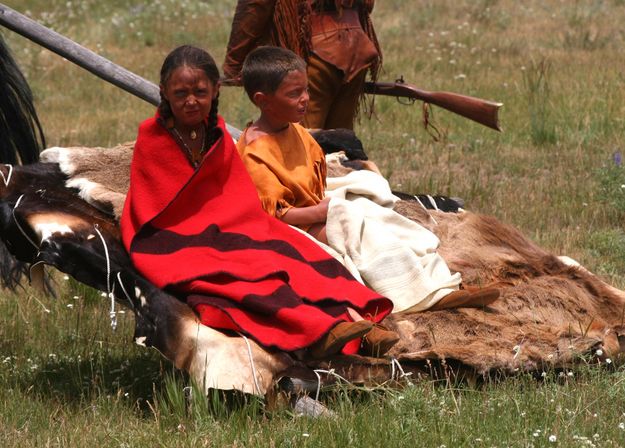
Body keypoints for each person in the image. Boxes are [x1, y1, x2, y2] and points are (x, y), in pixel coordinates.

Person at [120, 45, 399, 360]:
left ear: (215, 90)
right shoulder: (153, 139)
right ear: (164, 92)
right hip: (176, 242)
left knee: (294, 256)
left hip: (228, 227)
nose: (191, 101)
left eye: (200, 91)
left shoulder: (218, 137)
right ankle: (319, 331)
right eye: (180, 92)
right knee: (244, 281)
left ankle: (358, 321)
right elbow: (156, 206)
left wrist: (241, 226)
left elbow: (237, 195)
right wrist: (211, 233)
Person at [236, 46, 501, 313]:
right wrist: (320, 211)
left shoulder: (295, 130)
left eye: (306, 90)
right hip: (291, 228)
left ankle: (441, 284)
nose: (305, 98)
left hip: (316, 211)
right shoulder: (256, 154)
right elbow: (272, 215)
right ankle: (414, 295)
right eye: (294, 94)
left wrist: (324, 207)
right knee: (359, 232)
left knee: (386, 222)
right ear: (264, 100)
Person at [223, 0, 380, 130]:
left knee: (301, 137)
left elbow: (254, 7)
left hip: (313, 53)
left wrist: (233, 65)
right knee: (340, 141)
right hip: (358, 47)